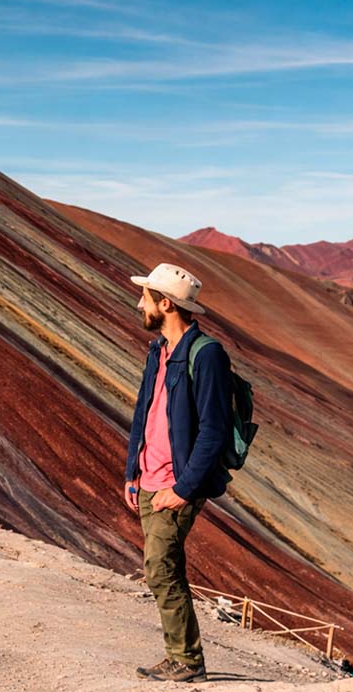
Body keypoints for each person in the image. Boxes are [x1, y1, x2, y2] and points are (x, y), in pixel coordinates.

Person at [124, 262, 233, 683]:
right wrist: (132, 470)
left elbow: (214, 430)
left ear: (166, 304)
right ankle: (182, 656)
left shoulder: (207, 356)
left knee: (160, 565)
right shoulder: (158, 351)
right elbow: (143, 412)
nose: (140, 304)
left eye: (147, 297)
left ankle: (187, 660)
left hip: (177, 484)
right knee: (160, 566)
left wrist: (184, 489)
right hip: (148, 478)